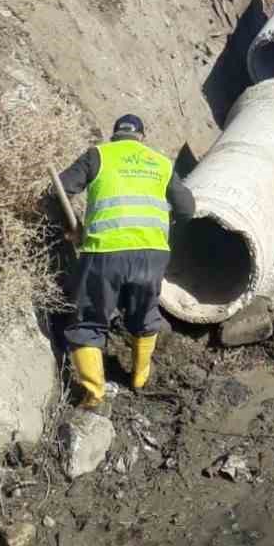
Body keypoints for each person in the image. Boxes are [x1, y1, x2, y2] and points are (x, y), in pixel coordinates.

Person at [55, 113, 194, 407]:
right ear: (142, 137)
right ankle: (140, 379)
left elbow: (60, 190)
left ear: (114, 134)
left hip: (105, 252)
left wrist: (74, 226)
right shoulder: (161, 162)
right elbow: (186, 208)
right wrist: (163, 228)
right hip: (152, 254)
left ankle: (94, 395)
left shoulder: (98, 155)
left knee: (88, 321)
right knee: (144, 315)